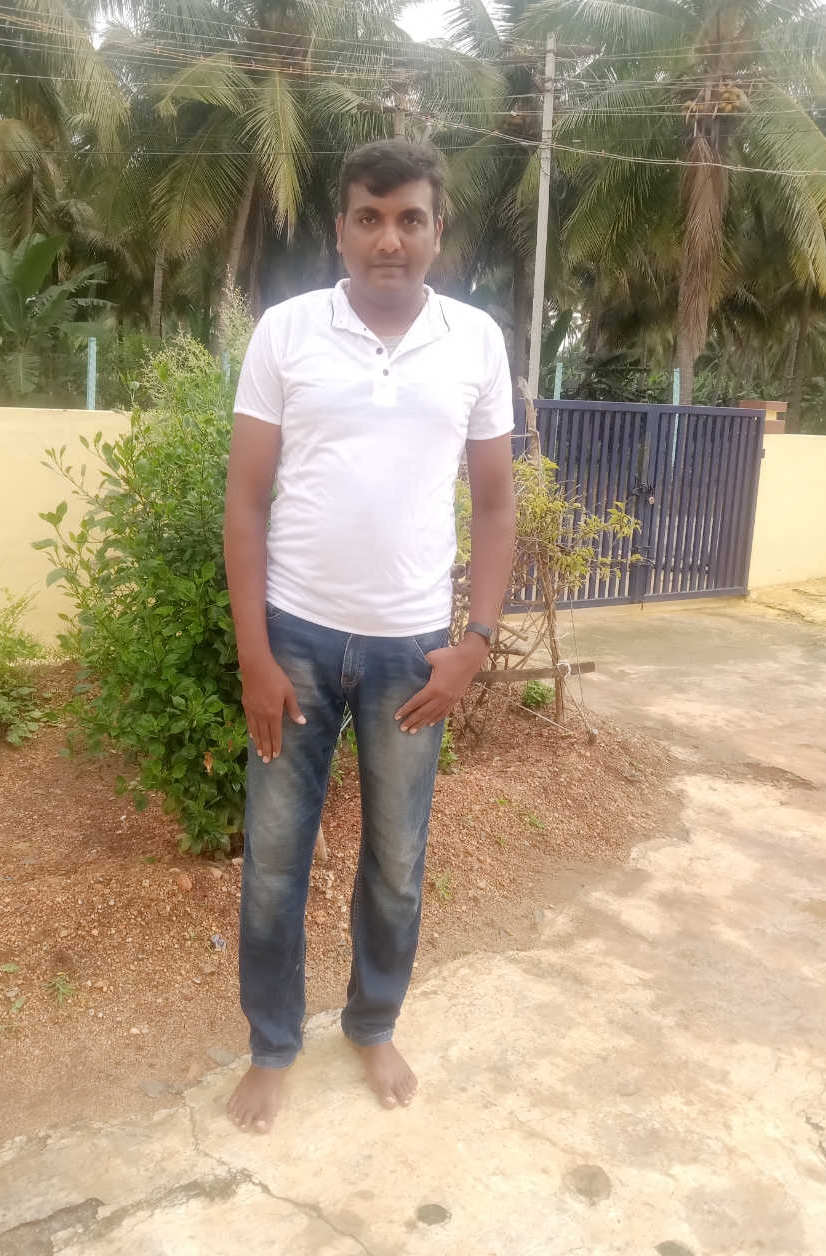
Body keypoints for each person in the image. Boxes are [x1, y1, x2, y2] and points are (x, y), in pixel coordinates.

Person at [223, 138, 516, 1133]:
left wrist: (476, 642)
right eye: (369, 218)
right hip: (295, 641)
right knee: (274, 859)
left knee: (396, 860)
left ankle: (373, 1022)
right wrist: (256, 655)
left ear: (437, 230)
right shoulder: (288, 331)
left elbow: (495, 503)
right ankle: (272, 1044)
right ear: (341, 228)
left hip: (411, 653)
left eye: (409, 219)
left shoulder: (475, 341)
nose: (389, 239)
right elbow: (245, 498)